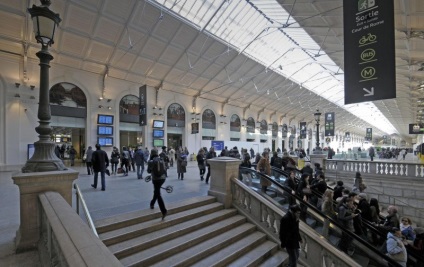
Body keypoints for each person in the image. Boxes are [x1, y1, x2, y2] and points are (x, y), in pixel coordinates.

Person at [147, 149, 167, 220]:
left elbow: (148, 171)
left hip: (156, 179)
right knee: (156, 191)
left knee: (158, 194)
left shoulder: (151, 161)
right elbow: (165, 169)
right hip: (163, 178)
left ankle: (164, 211)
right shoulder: (161, 159)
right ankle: (152, 204)